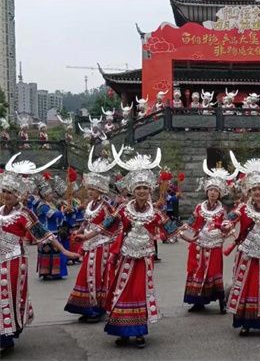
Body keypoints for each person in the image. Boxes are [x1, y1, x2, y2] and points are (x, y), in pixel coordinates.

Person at [0, 155, 79, 353]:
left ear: (19, 195)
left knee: (7, 296)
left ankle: (7, 335)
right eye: (4, 191)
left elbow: (44, 234)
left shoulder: (24, 214)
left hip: (14, 260)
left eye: (11, 192)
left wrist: (64, 250)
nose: (6, 195)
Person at [103, 145, 180, 348]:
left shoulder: (155, 212)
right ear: (132, 190)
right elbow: (106, 226)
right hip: (126, 257)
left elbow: (173, 231)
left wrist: (196, 238)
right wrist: (85, 236)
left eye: (145, 188)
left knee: (139, 292)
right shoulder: (123, 209)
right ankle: (122, 331)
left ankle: (138, 332)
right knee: (122, 290)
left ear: (150, 190)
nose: (142, 191)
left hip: (144, 260)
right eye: (138, 188)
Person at [222, 149, 260, 336]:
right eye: (254, 189)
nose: (257, 192)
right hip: (246, 255)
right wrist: (225, 225)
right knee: (246, 286)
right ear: (249, 192)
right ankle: (245, 322)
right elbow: (230, 220)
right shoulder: (242, 209)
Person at [64, 146, 120, 323]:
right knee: (86, 274)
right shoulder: (89, 205)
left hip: (101, 244)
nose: (90, 192)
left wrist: (88, 236)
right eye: (89, 189)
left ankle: (97, 308)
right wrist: (79, 231)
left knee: (96, 275)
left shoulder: (106, 206)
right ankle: (86, 307)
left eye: (94, 190)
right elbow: (86, 221)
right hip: (90, 244)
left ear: (101, 191)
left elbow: (108, 223)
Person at [180, 160, 237, 313]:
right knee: (197, 270)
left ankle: (221, 301)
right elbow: (191, 221)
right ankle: (198, 302)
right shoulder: (200, 207)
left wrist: (224, 227)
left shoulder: (222, 210)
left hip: (214, 245)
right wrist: (182, 230)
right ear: (206, 192)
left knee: (214, 271)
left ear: (219, 194)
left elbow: (227, 225)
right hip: (199, 243)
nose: (212, 193)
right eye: (210, 190)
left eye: (216, 191)